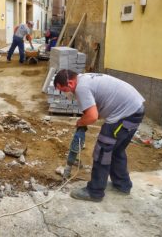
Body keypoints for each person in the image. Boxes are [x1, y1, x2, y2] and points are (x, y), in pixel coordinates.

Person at [54, 69, 145, 202]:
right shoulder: (85, 79)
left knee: (102, 152)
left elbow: (92, 116)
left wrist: (81, 122)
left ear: (70, 83)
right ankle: (122, 185)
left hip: (125, 114)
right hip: (135, 109)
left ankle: (95, 192)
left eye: (64, 90)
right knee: (117, 150)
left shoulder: (81, 88)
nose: (65, 93)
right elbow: (97, 109)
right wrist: (85, 120)